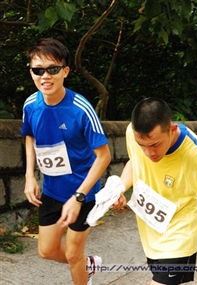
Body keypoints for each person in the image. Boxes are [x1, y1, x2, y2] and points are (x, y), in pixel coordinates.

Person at [114, 98, 197, 285]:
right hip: (151, 232)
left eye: (155, 145)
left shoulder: (195, 156)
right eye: (143, 146)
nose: (149, 153)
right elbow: (135, 162)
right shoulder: (133, 134)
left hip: (180, 235)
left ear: (172, 130)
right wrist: (120, 188)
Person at [20, 38, 111, 285]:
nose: (45, 76)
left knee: (72, 254)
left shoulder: (81, 109)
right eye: (38, 70)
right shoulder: (30, 104)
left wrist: (79, 197)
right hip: (52, 190)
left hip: (85, 193)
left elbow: (104, 156)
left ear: (65, 71)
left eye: (53, 69)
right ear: (31, 72)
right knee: (46, 251)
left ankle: (80, 266)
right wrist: (30, 175)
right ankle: (88, 264)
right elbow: (29, 135)